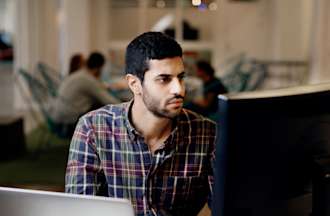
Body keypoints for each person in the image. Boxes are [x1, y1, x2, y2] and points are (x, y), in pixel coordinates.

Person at [65, 32, 216, 216]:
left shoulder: (207, 134)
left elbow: (227, 206)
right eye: (164, 79)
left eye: (181, 77)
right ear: (134, 84)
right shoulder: (93, 129)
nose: (179, 89)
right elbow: (80, 211)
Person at [50, 52, 120, 137]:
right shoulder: (88, 80)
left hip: (56, 118)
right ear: (99, 68)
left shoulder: (80, 74)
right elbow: (111, 101)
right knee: (107, 110)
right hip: (67, 125)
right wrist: (127, 105)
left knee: (97, 106)